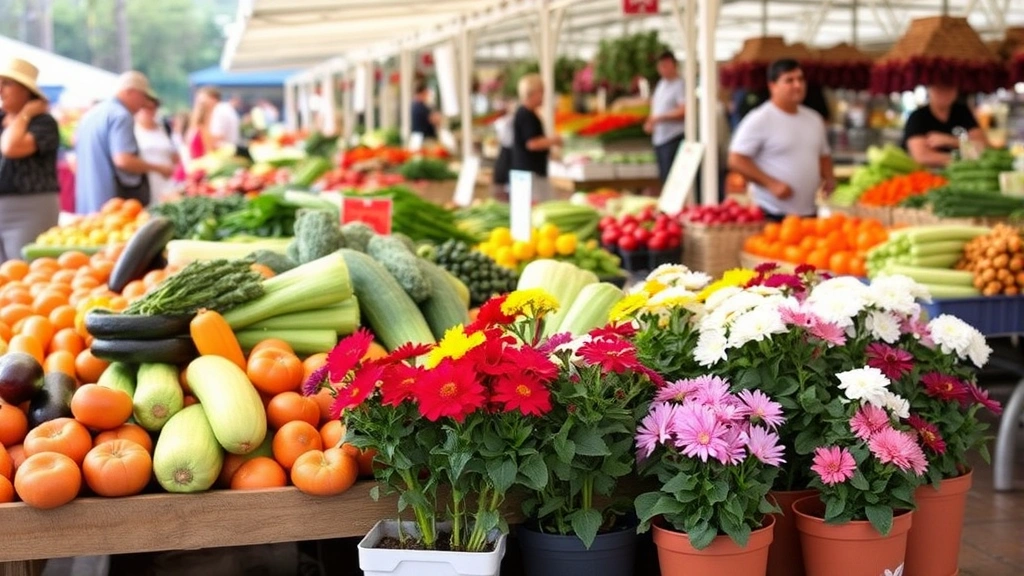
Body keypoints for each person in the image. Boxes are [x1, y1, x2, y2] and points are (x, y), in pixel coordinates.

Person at [728, 59, 835, 222]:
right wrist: (771, 184)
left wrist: (829, 178)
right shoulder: (760, 119)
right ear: (773, 86)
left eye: (800, 79)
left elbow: (823, 154)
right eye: (789, 80)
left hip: (809, 213)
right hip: (770, 213)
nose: (797, 85)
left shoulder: (814, 119)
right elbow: (736, 159)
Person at [74, 71, 173, 214]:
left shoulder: (92, 114)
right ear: (130, 91)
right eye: (143, 96)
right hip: (111, 202)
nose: (144, 103)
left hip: (88, 199)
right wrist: (159, 168)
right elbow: (123, 160)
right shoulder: (121, 115)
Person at [0, 57, 60, 263]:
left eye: (7, 84)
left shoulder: (43, 123)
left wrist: (24, 114)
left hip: (30, 207)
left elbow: (11, 148)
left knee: (26, 269)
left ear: (26, 91)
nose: (1, 90)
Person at [903, 84, 988, 168]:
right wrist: (968, 155)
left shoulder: (963, 112)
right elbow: (922, 157)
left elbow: (984, 147)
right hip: (930, 174)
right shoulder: (918, 117)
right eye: (939, 87)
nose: (944, 92)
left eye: (949, 87)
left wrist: (950, 141)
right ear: (929, 89)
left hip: (966, 170)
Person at [511, 74, 561, 200]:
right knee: (537, 205)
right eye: (541, 92)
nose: (543, 97)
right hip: (530, 173)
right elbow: (532, 143)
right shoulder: (526, 115)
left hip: (527, 172)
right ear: (533, 93)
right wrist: (553, 141)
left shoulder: (525, 113)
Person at [645, 51, 687, 183]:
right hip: (660, 138)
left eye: (666, 65)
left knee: (672, 179)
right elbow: (656, 107)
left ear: (674, 66)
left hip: (673, 137)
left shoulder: (680, 85)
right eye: (661, 66)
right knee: (664, 177)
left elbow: (684, 110)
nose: (663, 69)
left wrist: (659, 118)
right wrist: (651, 122)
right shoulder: (661, 84)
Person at [134, 98, 179, 205]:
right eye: (145, 108)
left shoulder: (164, 128)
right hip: (146, 182)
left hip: (167, 181)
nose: (149, 111)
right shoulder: (133, 130)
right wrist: (159, 168)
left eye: (152, 108)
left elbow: (174, 152)